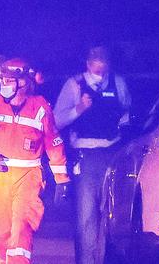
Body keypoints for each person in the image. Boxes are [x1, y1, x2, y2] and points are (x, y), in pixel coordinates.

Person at [0, 57, 70, 264]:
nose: (4, 84)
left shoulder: (40, 108)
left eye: (9, 80)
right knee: (0, 234)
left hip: (28, 177)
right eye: (2, 80)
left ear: (23, 82)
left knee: (21, 230)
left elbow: (53, 144)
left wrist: (62, 180)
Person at [53, 46, 131, 264]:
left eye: (104, 65)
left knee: (111, 215)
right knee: (86, 217)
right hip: (85, 157)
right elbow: (57, 121)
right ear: (88, 64)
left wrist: (122, 129)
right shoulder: (74, 85)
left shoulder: (118, 83)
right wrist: (79, 109)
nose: (101, 70)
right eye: (97, 65)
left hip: (112, 154)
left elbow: (126, 112)